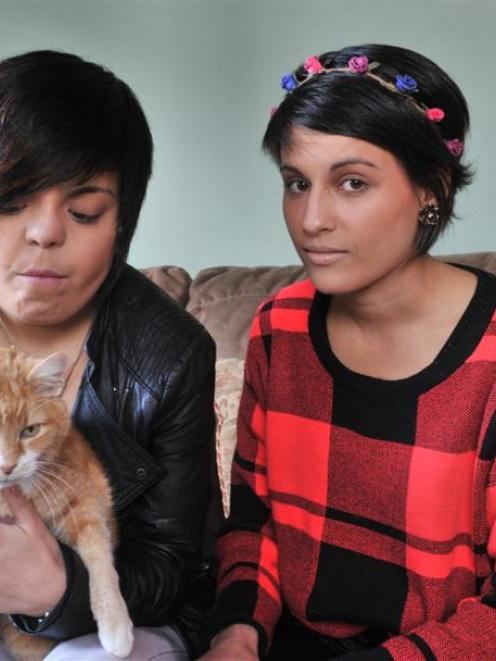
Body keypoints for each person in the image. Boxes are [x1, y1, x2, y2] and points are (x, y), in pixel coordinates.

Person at [201, 44, 496, 660]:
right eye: (296, 183)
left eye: (352, 183)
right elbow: (253, 525)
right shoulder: (278, 329)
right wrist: (238, 631)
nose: (311, 219)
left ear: (431, 190)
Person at [0, 50, 215, 660]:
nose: (44, 233)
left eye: (84, 210)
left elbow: (172, 568)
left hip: (123, 617)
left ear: (121, 224)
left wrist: (56, 590)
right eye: (11, 200)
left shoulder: (170, 356)